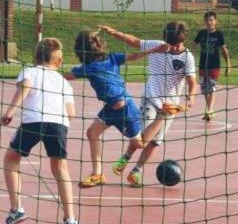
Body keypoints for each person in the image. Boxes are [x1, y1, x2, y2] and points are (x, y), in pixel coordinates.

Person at [98, 21, 197, 187]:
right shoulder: (157, 46)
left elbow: (192, 81)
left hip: (170, 107)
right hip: (151, 98)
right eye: (170, 44)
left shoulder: (187, 57)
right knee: (141, 137)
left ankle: (136, 171)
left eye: (176, 45)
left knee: (155, 142)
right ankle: (124, 159)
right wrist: (113, 31)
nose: (172, 48)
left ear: (183, 41)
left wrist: (191, 96)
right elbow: (134, 41)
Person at [67, 30, 169, 188]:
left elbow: (135, 56)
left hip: (126, 109)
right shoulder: (88, 67)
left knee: (139, 143)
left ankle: (161, 116)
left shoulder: (112, 58)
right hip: (110, 109)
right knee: (92, 133)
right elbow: (66, 76)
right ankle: (97, 174)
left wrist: (154, 50)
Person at [0, 38, 79, 224]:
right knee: (61, 170)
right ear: (59, 62)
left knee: (11, 159)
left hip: (34, 122)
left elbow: (25, 86)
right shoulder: (63, 82)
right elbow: (72, 113)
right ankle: (70, 219)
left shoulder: (29, 71)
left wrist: (10, 111)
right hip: (58, 125)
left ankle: (16, 209)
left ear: (35, 56)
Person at [193, 10, 231, 121]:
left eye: (211, 20)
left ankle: (208, 110)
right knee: (205, 89)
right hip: (202, 65)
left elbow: (224, 50)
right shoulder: (202, 33)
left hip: (214, 65)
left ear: (215, 21)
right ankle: (210, 109)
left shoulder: (219, 34)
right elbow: (193, 45)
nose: (209, 22)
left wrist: (228, 65)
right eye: (207, 20)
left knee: (212, 87)